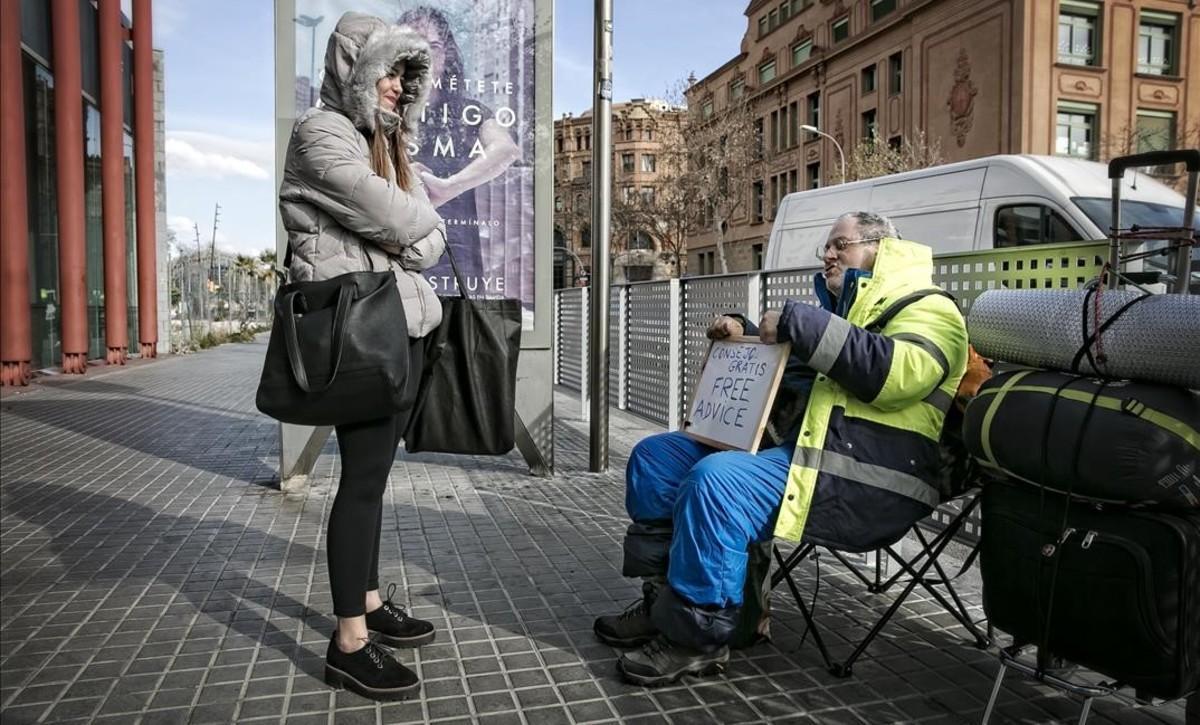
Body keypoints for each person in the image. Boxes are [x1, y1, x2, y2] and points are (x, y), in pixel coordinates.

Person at [593, 211, 970, 686]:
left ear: (881, 248)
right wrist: (745, 331)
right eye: (826, 248)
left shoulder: (931, 308)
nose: (828, 255)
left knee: (719, 483)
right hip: (807, 454)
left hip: (863, 474)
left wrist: (799, 323)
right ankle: (666, 604)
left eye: (840, 244)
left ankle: (697, 638)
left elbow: (893, 375)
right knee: (657, 458)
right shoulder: (843, 310)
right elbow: (803, 370)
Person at [278, 11, 447, 701]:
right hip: (355, 333)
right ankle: (348, 639)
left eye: (406, 75)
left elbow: (420, 233)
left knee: (371, 477)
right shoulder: (321, 132)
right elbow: (408, 221)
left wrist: (412, 228)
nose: (396, 86)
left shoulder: (380, 144)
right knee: (359, 483)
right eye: (387, 71)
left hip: (388, 329)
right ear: (354, 68)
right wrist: (413, 228)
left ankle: (369, 600)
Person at [397, 6, 521, 291]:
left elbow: (505, 149)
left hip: (455, 252)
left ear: (446, 54)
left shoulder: (468, 112)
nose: (425, 54)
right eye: (414, 44)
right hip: (399, 250)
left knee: (457, 332)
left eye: (435, 46)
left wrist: (449, 185)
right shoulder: (387, 112)